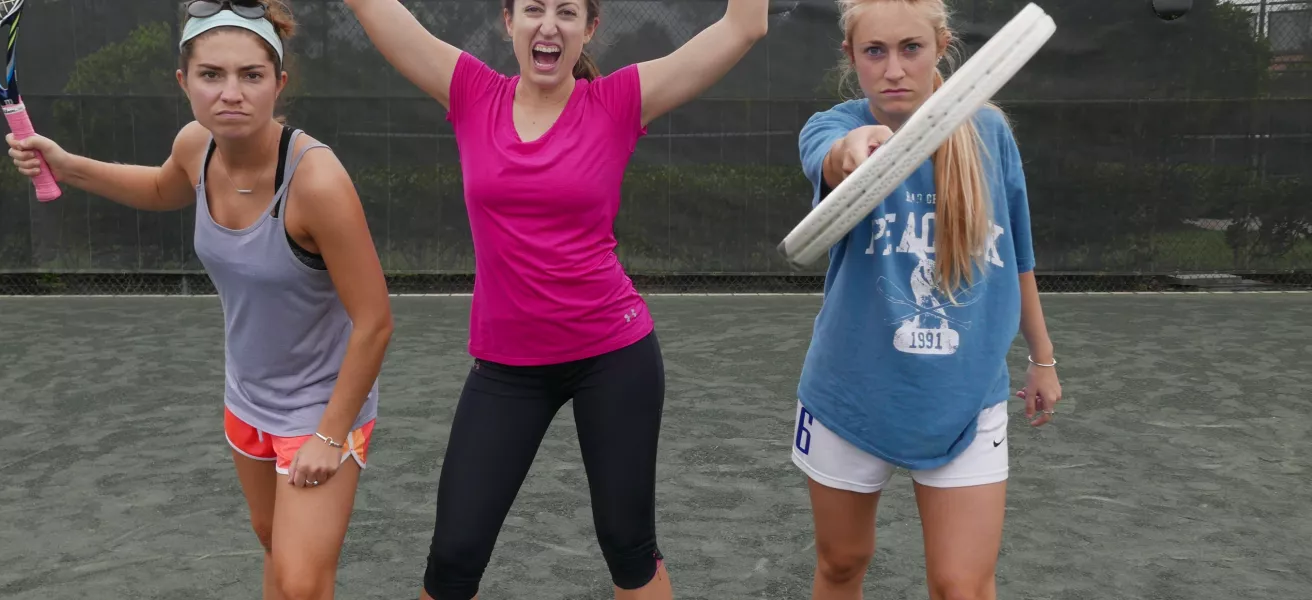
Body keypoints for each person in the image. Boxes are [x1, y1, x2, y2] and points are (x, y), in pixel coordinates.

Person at [336, 0, 767, 598]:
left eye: (567, 12)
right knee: (454, 554)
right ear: (506, 20)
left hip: (613, 357)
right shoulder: (470, 92)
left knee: (628, 546)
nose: (548, 25)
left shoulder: (617, 102)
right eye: (533, 9)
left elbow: (744, 25)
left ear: (590, 29)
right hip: (507, 369)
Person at [5, 1, 393, 598]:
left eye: (251, 75)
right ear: (184, 83)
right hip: (247, 398)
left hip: (320, 408)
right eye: (211, 75)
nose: (230, 93)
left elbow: (374, 323)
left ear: (278, 83)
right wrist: (67, 165)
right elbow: (163, 187)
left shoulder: (317, 182)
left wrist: (330, 434)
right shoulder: (196, 147)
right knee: (271, 543)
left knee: (300, 583)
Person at [790, 1, 1064, 599]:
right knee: (841, 564)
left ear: (941, 47)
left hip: (967, 397)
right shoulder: (831, 126)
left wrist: (1042, 358)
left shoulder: (991, 134)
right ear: (851, 58)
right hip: (852, 396)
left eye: (911, 49)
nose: (893, 69)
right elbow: (832, 157)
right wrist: (857, 151)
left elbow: (1018, 257)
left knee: (961, 585)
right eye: (875, 52)